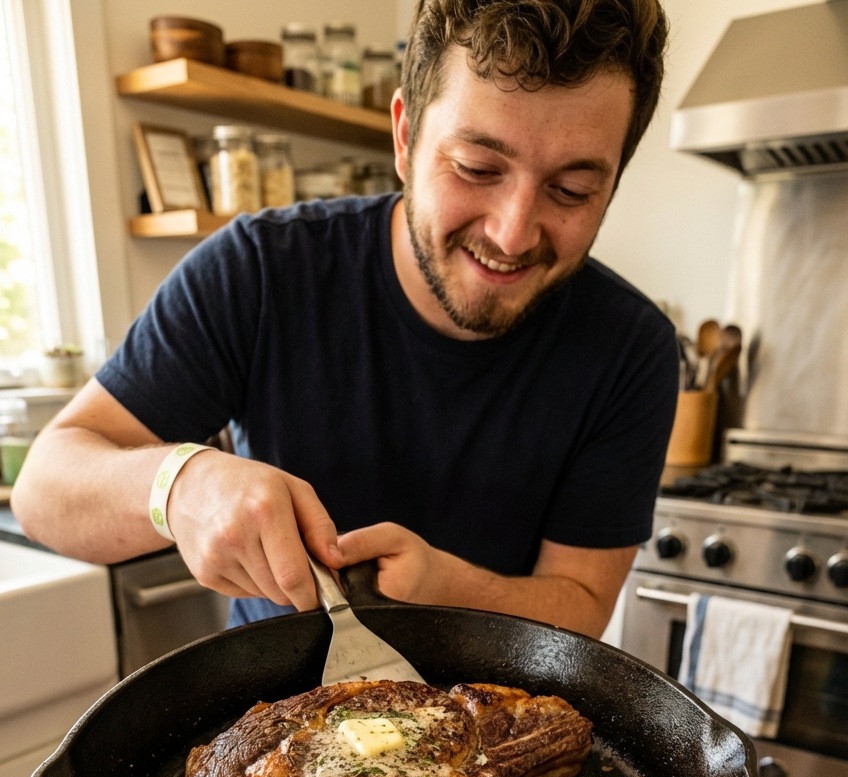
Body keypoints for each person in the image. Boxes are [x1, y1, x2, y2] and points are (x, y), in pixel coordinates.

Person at [13, 0, 677, 639]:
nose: (511, 233)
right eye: (477, 168)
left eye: (572, 190)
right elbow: (44, 491)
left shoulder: (631, 349)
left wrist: (444, 586)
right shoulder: (260, 271)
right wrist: (180, 484)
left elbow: (583, 606)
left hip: (499, 724)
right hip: (274, 725)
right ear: (405, 136)